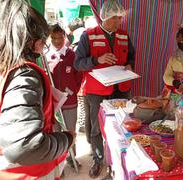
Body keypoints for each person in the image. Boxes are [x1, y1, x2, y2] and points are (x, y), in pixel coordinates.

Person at [0, 0, 74, 179]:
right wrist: (66, 139)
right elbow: (25, 146)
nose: (42, 46)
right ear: (31, 40)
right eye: (42, 39)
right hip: (28, 173)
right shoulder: (22, 75)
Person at [74, 0, 135, 178]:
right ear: (105, 17)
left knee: (124, 125)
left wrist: (130, 65)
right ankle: (98, 159)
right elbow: (78, 63)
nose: (119, 21)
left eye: (119, 18)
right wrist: (96, 60)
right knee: (97, 128)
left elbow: (131, 55)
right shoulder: (88, 35)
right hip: (97, 92)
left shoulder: (124, 35)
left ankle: (121, 159)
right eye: (115, 18)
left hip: (121, 89)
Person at [46, 24, 83, 168]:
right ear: (50, 38)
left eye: (60, 37)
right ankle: (58, 162)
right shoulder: (46, 56)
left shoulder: (72, 55)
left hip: (69, 102)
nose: (57, 41)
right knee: (56, 132)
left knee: (70, 131)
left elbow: (79, 76)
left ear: (64, 37)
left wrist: (71, 92)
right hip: (53, 103)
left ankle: (72, 159)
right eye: (54, 38)